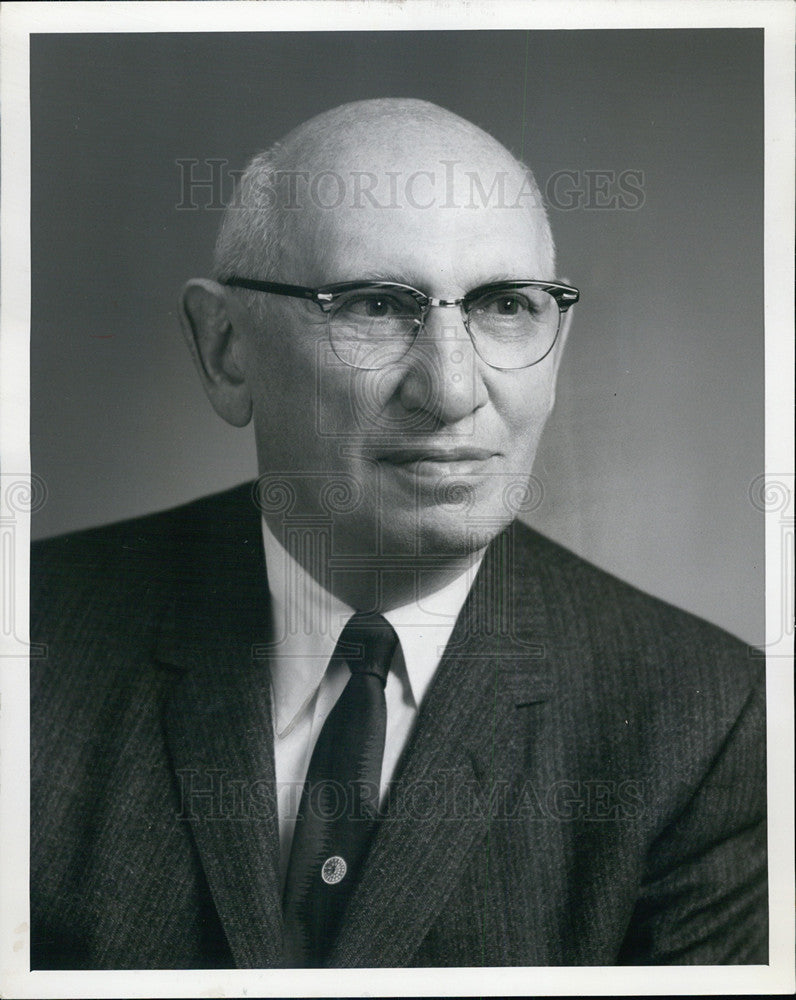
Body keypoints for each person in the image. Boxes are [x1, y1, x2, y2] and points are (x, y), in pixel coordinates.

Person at [30, 98, 767, 969]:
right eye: (376, 306)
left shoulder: (707, 720)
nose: (452, 390)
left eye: (507, 306)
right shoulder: (30, 645)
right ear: (227, 349)